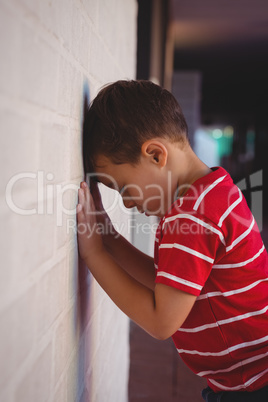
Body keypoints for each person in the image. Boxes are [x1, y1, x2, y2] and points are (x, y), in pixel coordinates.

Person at [76, 80, 268, 401]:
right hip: (242, 380)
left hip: (255, 384)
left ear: (155, 154)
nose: (125, 202)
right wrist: (108, 237)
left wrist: (95, 254)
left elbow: (161, 320)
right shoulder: (207, 195)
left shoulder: (193, 214)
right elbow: (166, 286)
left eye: (123, 188)